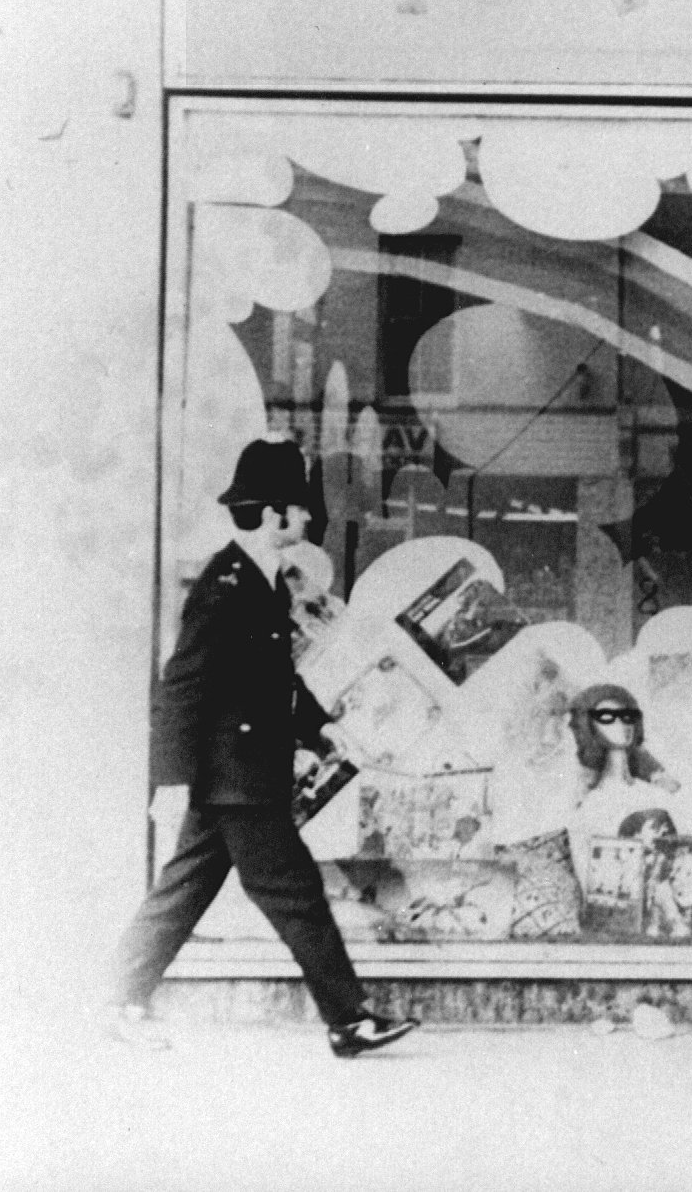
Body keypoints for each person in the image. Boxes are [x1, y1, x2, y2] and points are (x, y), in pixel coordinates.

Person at [108, 438, 419, 1057]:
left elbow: (276, 681)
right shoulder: (226, 586)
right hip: (239, 780)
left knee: (185, 890)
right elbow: (181, 686)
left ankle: (120, 997)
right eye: (301, 508)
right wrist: (170, 783)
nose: (308, 520)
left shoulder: (261, 579)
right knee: (297, 895)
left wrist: (323, 729)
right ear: (275, 513)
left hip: (237, 775)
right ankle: (348, 1020)